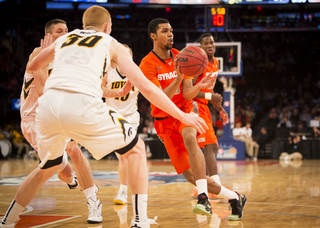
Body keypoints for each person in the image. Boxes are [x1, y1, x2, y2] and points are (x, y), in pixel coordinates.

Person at [0, 6, 207, 228]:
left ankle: (8, 220)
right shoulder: (110, 43)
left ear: (82, 25)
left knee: (47, 167)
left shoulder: (65, 39)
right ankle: (139, 221)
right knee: (136, 150)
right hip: (81, 104)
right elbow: (147, 88)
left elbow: (32, 66)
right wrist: (182, 116)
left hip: (48, 108)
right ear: (107, 27)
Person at [139, 18, 247, 221]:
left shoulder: (183, 56)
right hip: (164, 119)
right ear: (153, 36)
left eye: (171, 30)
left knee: (190, 136)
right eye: (165, 31)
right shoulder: (147, 64)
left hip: (186, 109)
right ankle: (235, 197)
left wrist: (199, 86)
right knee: (192, 177)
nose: (170, 34)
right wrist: (178, 79)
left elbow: (188, 95)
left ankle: (203, 197)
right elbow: (159, 99)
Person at [18, 19, 101, 224]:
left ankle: (93, 202)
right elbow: (44, 90)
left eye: (66, 30)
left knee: (74, 149)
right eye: (59, 31)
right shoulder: (39, 54)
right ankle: (73, 181)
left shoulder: (67, 54)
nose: (65, 33)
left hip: (58, 114)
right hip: (35, 120)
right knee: (64, 172)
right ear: (48, 36)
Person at [190, 33, 230, 199]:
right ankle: (215, 186)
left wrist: (220, 108)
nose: (209, 45)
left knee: (209, 147)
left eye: (211, 42)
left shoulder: (216, 63)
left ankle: (203, 186)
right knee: (210, 146)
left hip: (204, 106)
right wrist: (210, 98)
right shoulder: (198, 63)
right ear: (200, 46)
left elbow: (209, 91)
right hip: (193, 106)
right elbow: (189, 91)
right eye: (205, 43)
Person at [102, 44, 138, 209]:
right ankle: (129, 188)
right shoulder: (108, 72)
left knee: (125, 156)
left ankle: (123, 191)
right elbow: (98, 89)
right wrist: (116, 92)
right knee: (124, 157)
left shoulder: (137, 72)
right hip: (113, 117)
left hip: (131, 118)